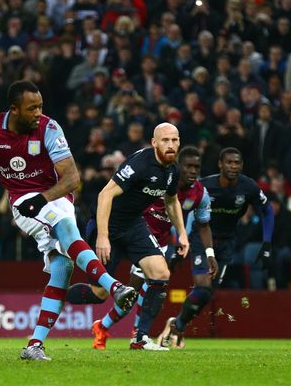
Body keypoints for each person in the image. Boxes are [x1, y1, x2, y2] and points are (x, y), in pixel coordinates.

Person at [0, 81, 137, 361]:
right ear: (14, 110)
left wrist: (43, 199)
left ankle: (34, 345)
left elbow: (72, 179)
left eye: (40, 106)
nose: (38, 113)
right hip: (21, 202)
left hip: (54, 197)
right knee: (67, 231)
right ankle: (114, 287)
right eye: (32, 108)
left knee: (62, 266)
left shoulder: (49, 128)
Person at [65, 122, 189, 351]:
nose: (170, 145)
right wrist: (103, 236)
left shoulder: (173, 171)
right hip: (108, 225)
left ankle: (140, 338)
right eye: (165, 140)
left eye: (174, 140)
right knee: (100, 294)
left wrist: (181, 233)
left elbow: (172, 201)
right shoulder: (140, 163)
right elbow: (105, 195)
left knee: (161, 273)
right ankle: (60, 294)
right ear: (154, 143)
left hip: (133, 224)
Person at [79, 146, 214, 350]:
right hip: (133, 234)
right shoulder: (158, 178)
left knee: (148, 286)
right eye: (188, 166)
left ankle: (131, 334)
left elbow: (193, 219)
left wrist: (183, 239)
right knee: (112, 293)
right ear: (179, 166)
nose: (192, 171)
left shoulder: (198, 193)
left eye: (197, 167)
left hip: (159, 242)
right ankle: (109, 326)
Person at [157, 147, 273, 348]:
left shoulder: (248, 187)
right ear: (220, 164)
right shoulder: (204, 186)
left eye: (237, 163)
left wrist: (267, 242)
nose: (233, 166)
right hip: (201, 239)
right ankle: (177, 328)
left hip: (227, 244)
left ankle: (177, 324)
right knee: (203, 286)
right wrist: (178, 242)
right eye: (229, 162)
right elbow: (183, 211)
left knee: (207, 293)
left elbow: (267, 210)